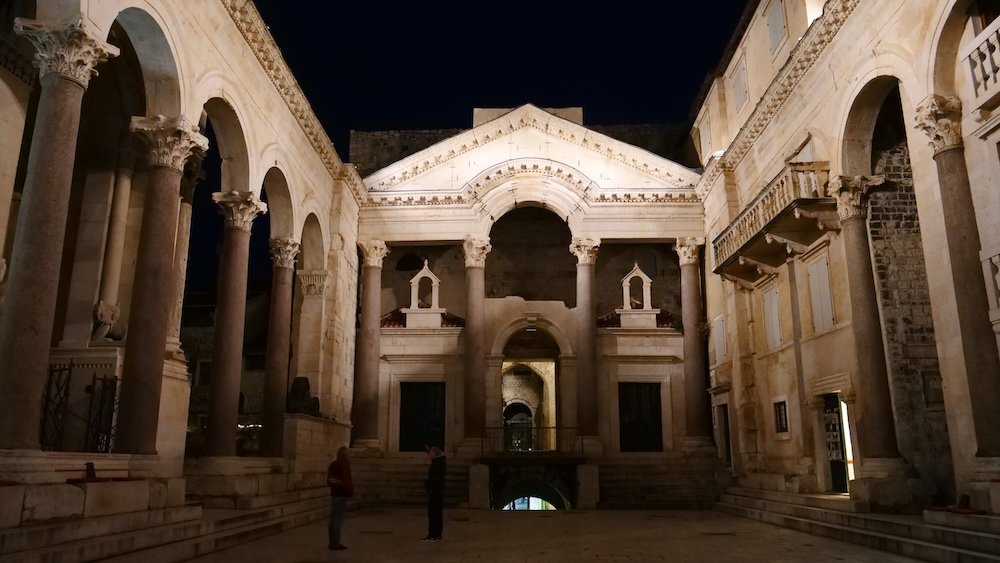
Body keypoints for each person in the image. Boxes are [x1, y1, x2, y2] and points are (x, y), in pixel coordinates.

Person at [327, 446, 353, 550]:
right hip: (342, 495)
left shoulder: (332, 464)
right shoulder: (344, 465)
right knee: (338, 520)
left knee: (332, 520)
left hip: (334, 494)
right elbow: (346, 482)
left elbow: (329, 480)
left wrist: (334, 487)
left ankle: (331, 542)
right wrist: (349, 492)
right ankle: (336, 544)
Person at [423, 445, 446, 542]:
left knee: (433, 514)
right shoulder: (439, 462)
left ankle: (433, 534)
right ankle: (436, 534)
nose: (429, 455)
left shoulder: (437, 464)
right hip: (437, 491)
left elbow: (435, 478)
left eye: (430, 453)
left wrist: (430, 487)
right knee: (437, 514)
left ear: (434, 454)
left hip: (435, 492)